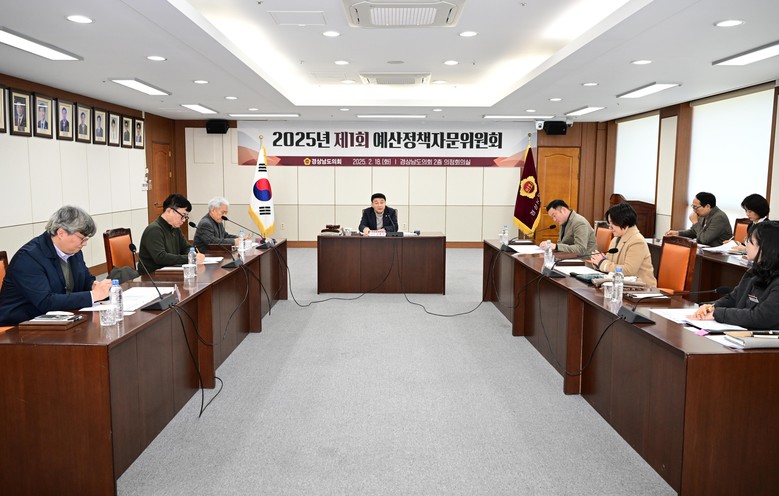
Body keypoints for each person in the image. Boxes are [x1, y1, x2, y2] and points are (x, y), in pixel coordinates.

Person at [0, 206, 113, 326]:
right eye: (82, 238)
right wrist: (93, 295)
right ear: (61, 233)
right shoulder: (28, 257)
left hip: (59, 321)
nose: (85, 244)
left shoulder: (74, 251)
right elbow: (46, 302)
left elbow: (85, 280)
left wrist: (95, 285)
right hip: (18, 327)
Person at [691, 221, 779, 329]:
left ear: (766, 248)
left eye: (750, 241)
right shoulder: (753, 273)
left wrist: (719, 313)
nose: (746, 244)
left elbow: (761, 317)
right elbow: (733, 298)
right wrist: (712, 307)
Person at [588, 203, 657, 287]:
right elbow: (610, 262)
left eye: (613, 223)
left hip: (642, 288)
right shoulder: (615, 239)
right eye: (609, 223)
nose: (610, 227)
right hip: (621, 285)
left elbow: (629, 270)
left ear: (623, 222)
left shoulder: (637, 241)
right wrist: (598, 261)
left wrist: (602, 263)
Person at [138, 194, 205, 273]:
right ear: (169, 211)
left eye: (186, 217)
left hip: (169, 272)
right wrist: (189, 258)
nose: (184, 220)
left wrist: (193, 254)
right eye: (183, 215)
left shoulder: (175, 228)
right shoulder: (154, 230)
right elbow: (160, 257)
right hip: (152, 276)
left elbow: (186, 248)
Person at [665, 191, 731, 245]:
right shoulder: (703, 214)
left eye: (696, 207)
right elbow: (694, 232)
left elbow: (704, 239)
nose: (694, 210)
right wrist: (678, 233)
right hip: (706, 249)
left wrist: (695, 222)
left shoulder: (719, 217)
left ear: (707, 206)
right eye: (693, 206)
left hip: (716, 253)